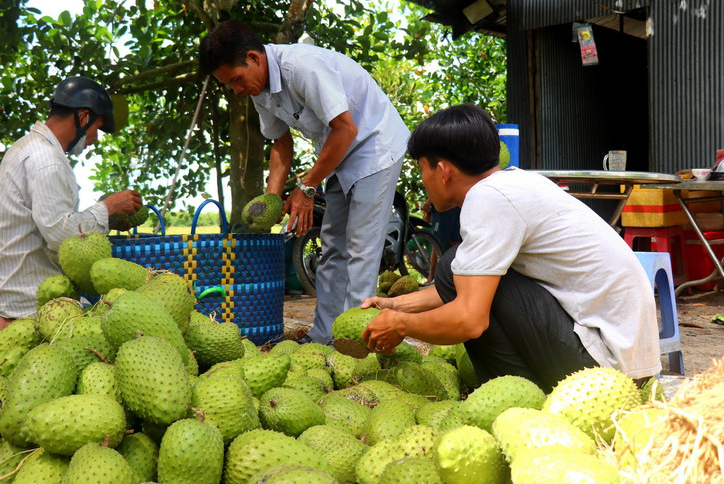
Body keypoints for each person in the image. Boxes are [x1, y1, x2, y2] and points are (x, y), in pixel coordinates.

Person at [361, 104, 661, 391]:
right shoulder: (515, 184)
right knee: (461, 269)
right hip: (625, 365)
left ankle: (523, 396)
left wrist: (401, 325)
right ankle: (528, 389)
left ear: (443, 170)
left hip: (604, 373)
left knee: (454, 265)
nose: (425, 180)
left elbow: (469, 319)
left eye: (422, 170)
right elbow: (468, 285)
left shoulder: (487, 199)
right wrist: (394, 305)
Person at [198, 20, 410, 345]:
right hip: (337, 154)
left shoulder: (301, 67)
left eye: (236, 80)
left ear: (253, 58)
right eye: (230, 86)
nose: (237, 90)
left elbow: (347, 129)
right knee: (332, 249)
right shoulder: (260, 90)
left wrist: (307, 187)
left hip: (374, 144)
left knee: (360, 250)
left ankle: (359, 345)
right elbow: (281, 144)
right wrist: (271, 201)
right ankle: (323, 336)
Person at [0, 76, 142, 328]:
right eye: (96, 128)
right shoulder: (47, 160)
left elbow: (53, 224)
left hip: (10, 293)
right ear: (84, 117)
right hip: (25, 300)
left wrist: (107, 218)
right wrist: (107, 207)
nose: (95, 138)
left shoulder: (29, 147)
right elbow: (60, 234)